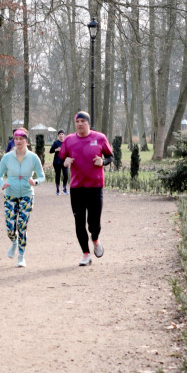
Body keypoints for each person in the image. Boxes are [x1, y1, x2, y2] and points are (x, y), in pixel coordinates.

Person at [60, 111, 113, 266]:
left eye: (83, 121)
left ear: (88, 123)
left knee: (94, 222)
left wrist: (103, 162)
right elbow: (62, 158)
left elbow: (110, 157)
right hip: (77, 188)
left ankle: (95, 239)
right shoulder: (69, 140)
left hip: (95, 187)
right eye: (77, 121)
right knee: (79, 222)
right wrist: (65, 162)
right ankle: (85, 254)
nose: (80, 124)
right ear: (75, 123)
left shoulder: (100, 138)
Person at [0, 127, 45, 267]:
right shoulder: (7, 157)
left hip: (27, 195)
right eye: (16, 139)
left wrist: (35, 182)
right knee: (10, 227)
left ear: (26, 141)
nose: (18, 141)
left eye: (21, 139)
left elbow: (42, 176)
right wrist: (2, 184)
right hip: (10, 195)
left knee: (22, 226)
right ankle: (14, 241)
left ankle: (21, 256)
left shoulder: (33, 157)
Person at [49, 129, 69, 195]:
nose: (61, 135)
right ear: (58, 135)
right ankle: (57, 190)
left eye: (62, 134)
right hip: (57, 162)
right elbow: (50, 151)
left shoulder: (66, 142)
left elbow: (70, 151)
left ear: (64, 135)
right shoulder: (56, 143)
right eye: (60, 134)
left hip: (65, 161)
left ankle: (64, 188)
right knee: (58, 175)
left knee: (66, 175)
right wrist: (56, 149)